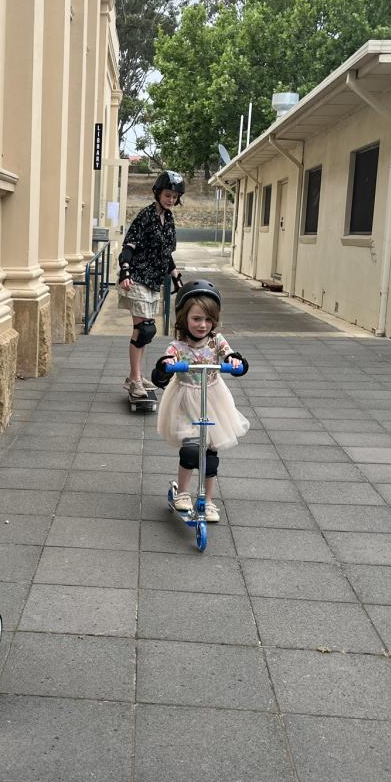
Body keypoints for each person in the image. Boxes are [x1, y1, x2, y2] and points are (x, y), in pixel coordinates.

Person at [151, 280, 250, 520]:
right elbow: (163, 367)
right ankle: (183, 493)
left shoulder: (217, 341)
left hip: (213, 399)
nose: (203, 325)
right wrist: (166, 366)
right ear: (184, 318)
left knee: (211, 453)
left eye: (208, 320)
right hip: (185, 399)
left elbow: (232, 356)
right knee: (191, 451)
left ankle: (208, 500)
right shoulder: (177, 346)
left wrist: (236, 363)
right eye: (196, 319)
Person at [117, 170, 185, 399]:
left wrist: (176, 276)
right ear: (158, 192)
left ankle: (135, 376)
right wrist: (125, 270)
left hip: (154, 281)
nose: (171, 199)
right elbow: (129, 245)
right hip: (137, 278)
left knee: (146, 332)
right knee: (143, 329)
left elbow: (166, 254)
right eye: (167, 195)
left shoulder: (169, 219)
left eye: (175, 197)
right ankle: (134, 379)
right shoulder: (146, 215)